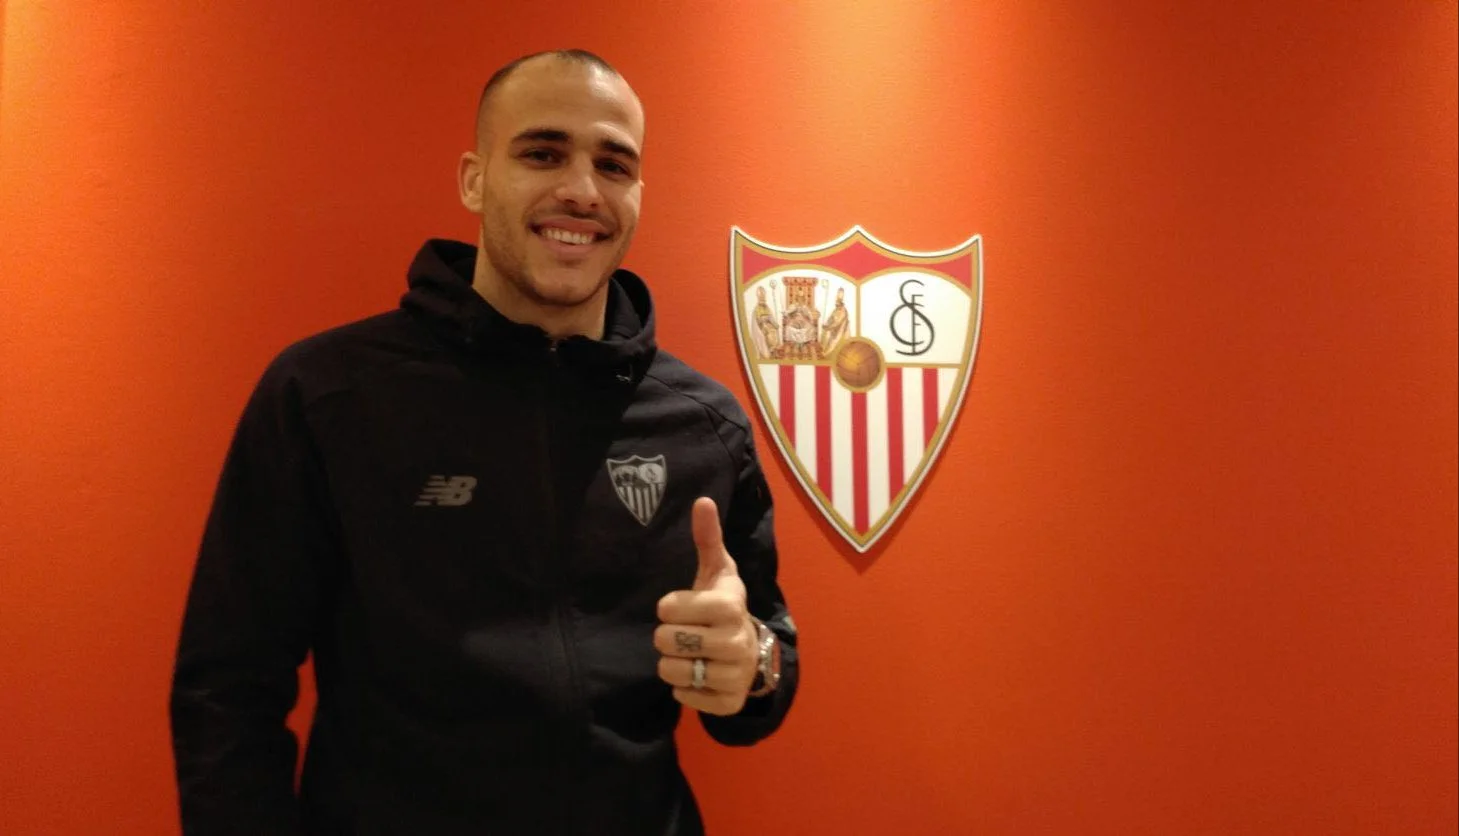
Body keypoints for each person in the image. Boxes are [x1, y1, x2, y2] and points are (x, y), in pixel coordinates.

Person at [169, 49, 799, 836]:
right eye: (543, 153)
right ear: (474, 180)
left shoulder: (704, 423)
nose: (582, 189)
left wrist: (752, 665)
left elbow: (763, 664)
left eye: (613, 165)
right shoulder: (328, 396)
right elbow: (227, 688)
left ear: (638, 195)